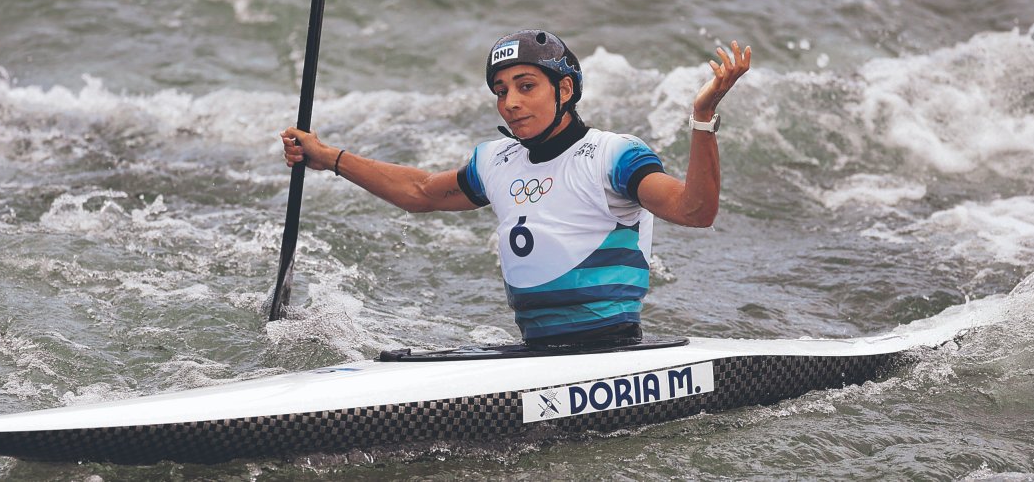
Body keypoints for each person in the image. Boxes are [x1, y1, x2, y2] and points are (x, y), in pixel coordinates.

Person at [281, 30, 751, 348]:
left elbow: (695, 210)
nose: (511, 102)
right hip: (535, 352)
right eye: (501, 91)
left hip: (610, 352)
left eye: (526, 86)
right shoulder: (496, 161)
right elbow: (421, 192)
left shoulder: (613, 156)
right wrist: (328, 158)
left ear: (565, 89)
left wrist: (703, 117)